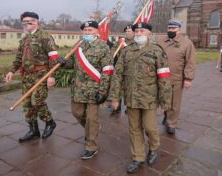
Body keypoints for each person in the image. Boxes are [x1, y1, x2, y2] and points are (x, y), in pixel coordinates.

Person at [109, 22, 172, 174]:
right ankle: (137, 157)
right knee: (134, 129)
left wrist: (165, 101)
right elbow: (117, 75)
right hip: (131, 97)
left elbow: (164, 77)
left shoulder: (157, 51)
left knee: (150, 127)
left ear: (149, 33)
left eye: (142, 31)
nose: (138, 34)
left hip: (149, 98)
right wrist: (115, 97)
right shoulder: (126, 51)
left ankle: (154, 148)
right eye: (136, 31)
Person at [63, 20, 114, 159]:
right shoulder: (78, 45)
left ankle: (92, 145)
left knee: (92, 119)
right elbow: (72, 63)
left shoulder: (103, 47)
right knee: (77, 113)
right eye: (84, 30)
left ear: (97, 31)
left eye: (90, 30)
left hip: (94, 88)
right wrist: (63, 63)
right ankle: (93, 129)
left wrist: (103, 91)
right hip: (79, 88)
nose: (86, 32)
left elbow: (107, 70)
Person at [5, 12, 58, 142]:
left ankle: (50, 122)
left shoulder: (45, 37)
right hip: (27, 77)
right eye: (25, 21)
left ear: (36, 22)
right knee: (27, 104)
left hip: (41, 76)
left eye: (30, 21)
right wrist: (12, 71)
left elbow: (54, 58)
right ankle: (33, 129)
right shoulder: (24, 40)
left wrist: (51, 76)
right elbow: (19, 57)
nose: (27, 24)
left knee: (37, 102)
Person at [158, 19, 195, 135]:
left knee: (175, 103)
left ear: (179, 30)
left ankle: (172, 123)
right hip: (161, 77)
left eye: (173, 28)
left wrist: (188, 78)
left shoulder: (186, 43)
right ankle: (166, 115)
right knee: (164, 100)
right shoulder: (160, 42)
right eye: (169, 28)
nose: (171, 30)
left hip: (177, 78)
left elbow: (190, 61)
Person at [108, 24, 135, 114]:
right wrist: (111, 54)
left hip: (131, 68)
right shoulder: (121, 41)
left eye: (129, 31)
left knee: (129, 88)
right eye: (126, 31)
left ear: (134, 32)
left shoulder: (136, 42)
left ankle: (129, 106)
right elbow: (113, 50)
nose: (127, 33)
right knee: (117, 86)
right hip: (120, 67)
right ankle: (117, 106)